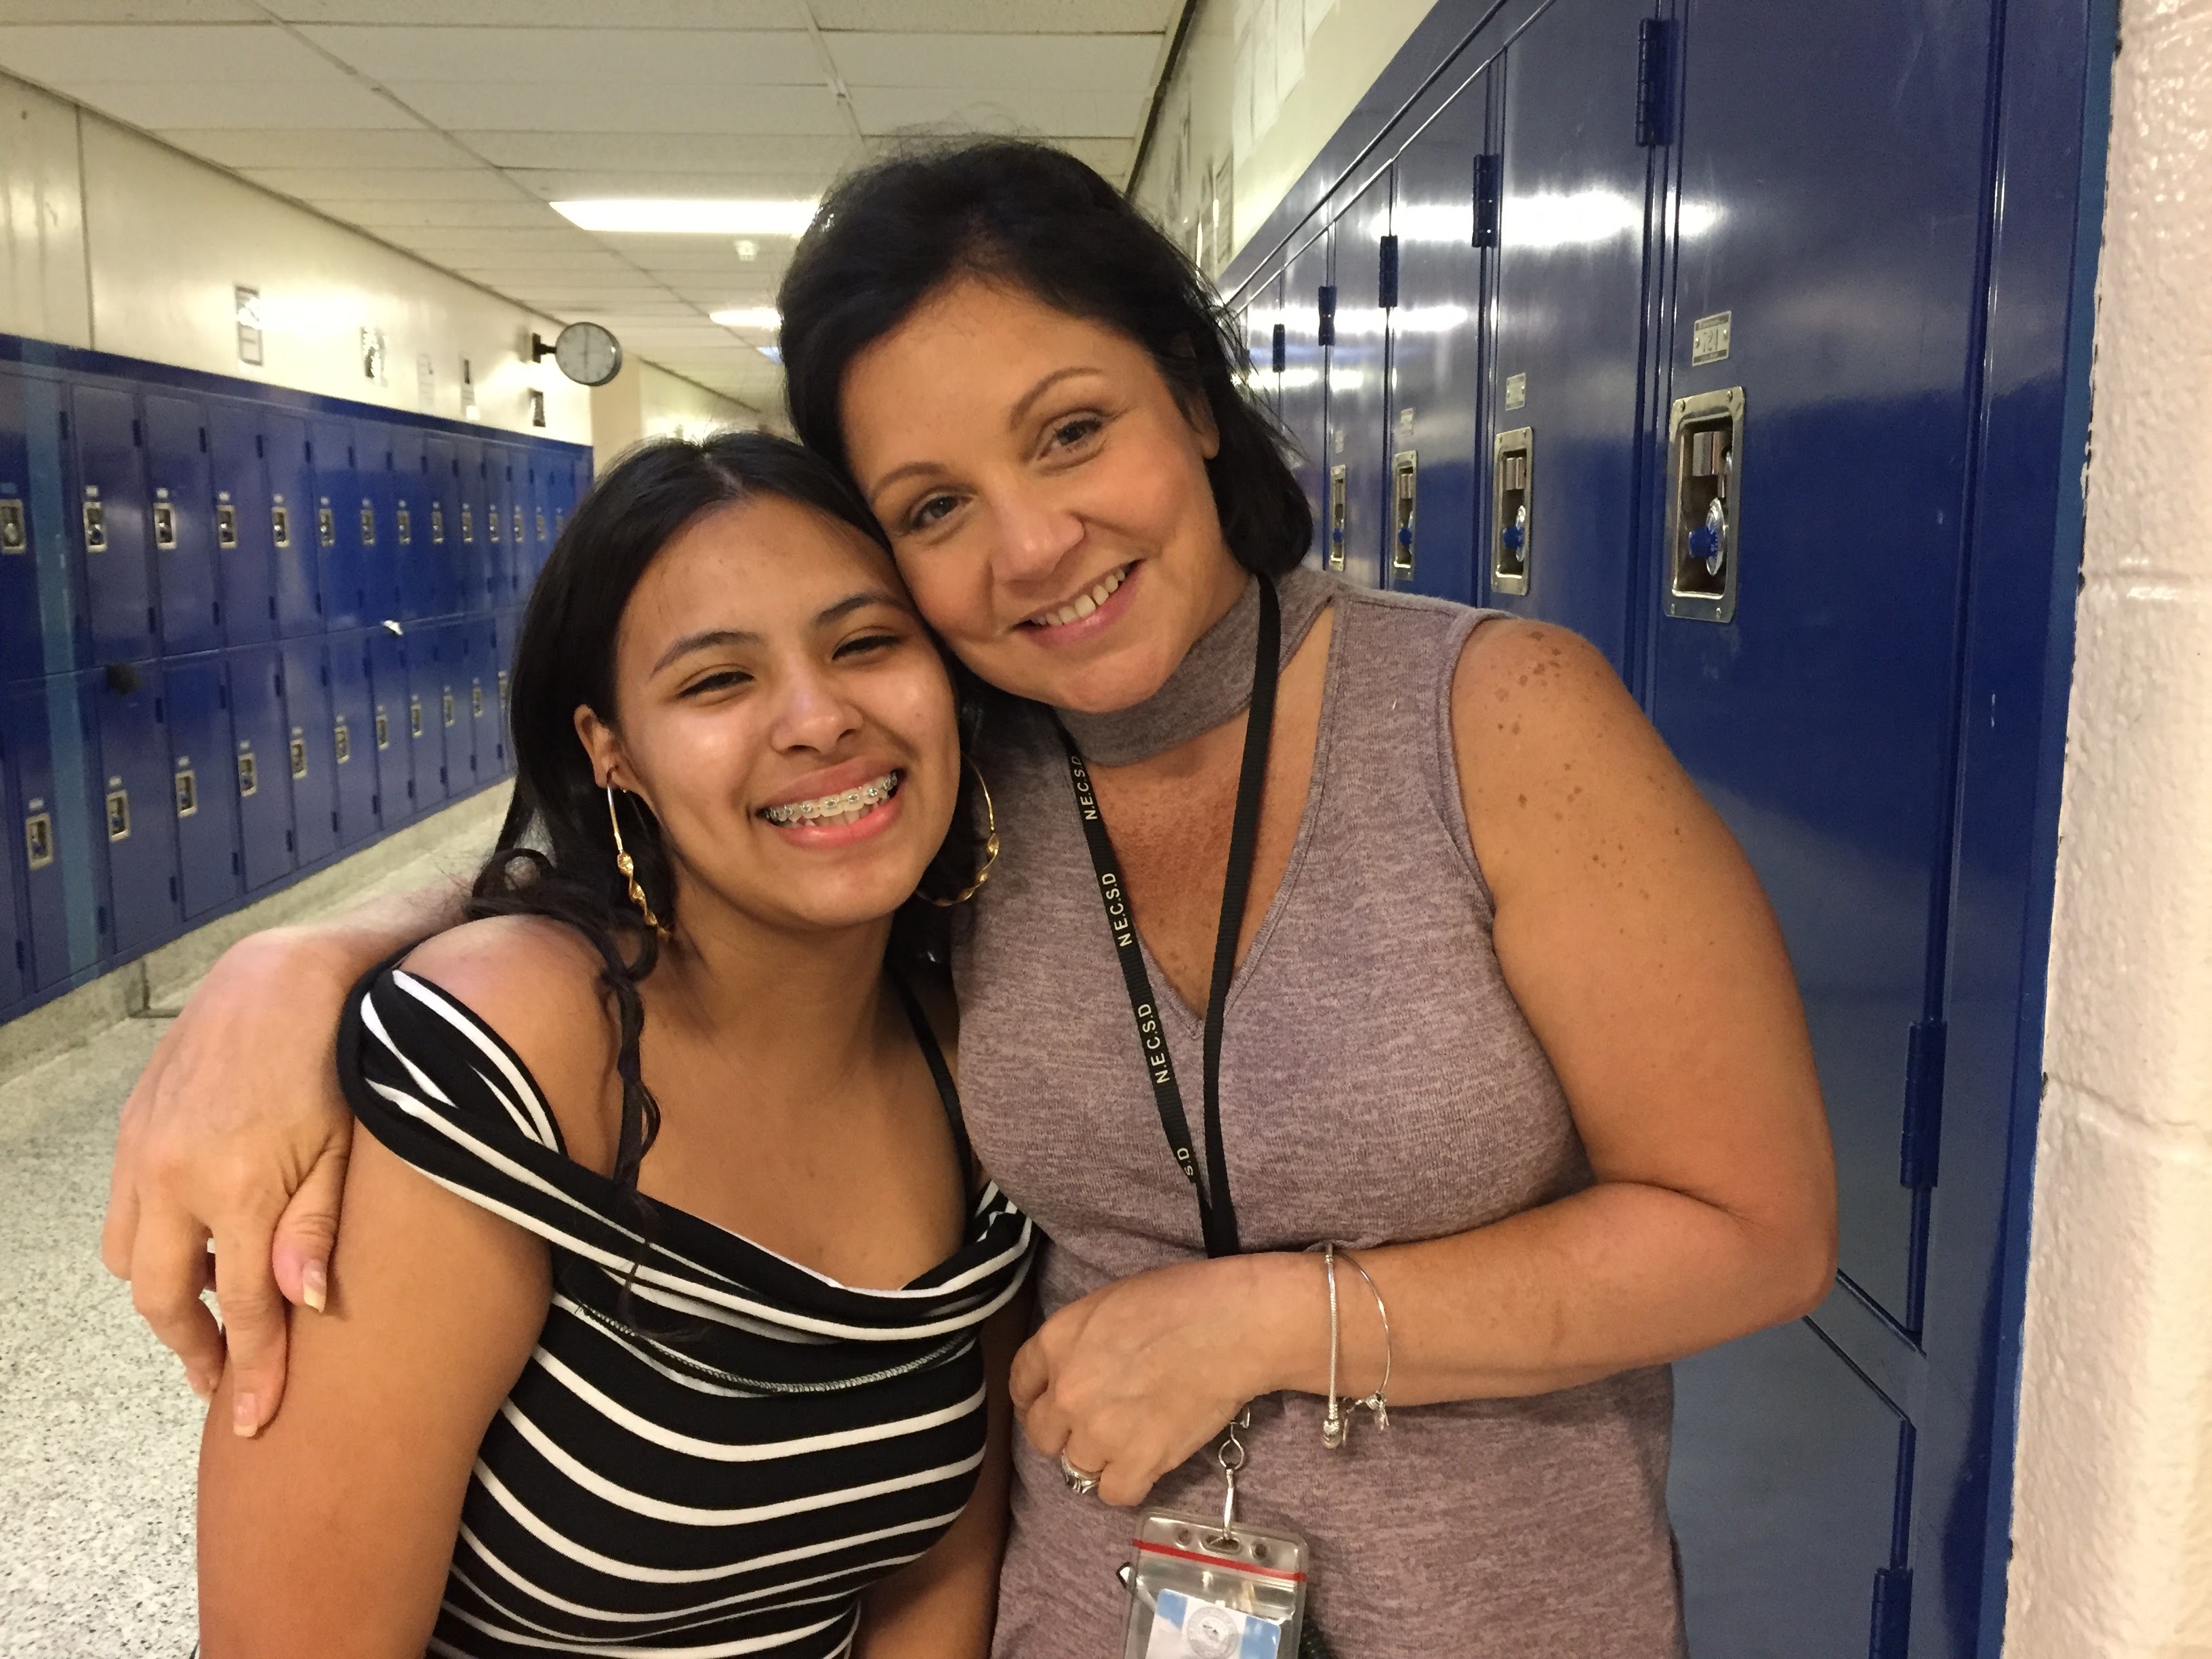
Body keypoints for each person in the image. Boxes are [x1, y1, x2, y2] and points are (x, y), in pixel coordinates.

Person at [108, 140, 1835, 1658]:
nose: (1031, 550)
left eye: (1072, 431)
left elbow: (1755, 1226)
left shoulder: (1497, 719)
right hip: (1082, 1613)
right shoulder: (969, 774)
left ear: (1193, 394)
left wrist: (1273, 1322)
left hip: (1494, 1613)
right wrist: (301, 960)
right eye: (935, 507)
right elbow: (693, 850)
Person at [192, 431, 1033, 1657]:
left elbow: (943, 1567)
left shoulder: (977, 1049)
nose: (817, 719)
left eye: (865, 643)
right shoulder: (495, 1070)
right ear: (611, 751)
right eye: (716, 683)